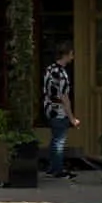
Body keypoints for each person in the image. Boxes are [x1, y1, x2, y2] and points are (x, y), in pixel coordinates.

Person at [41, 42, 79, 179]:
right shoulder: (62, 74)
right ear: (66, 54)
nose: (72, 58)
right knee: (59, 141)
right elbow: (64, 97)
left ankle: (52, 168)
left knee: (55, 139)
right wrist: (72, 118)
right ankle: (58, 170)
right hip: (58, 110)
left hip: (49, 108)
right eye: (71, 54)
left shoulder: (50, 69)